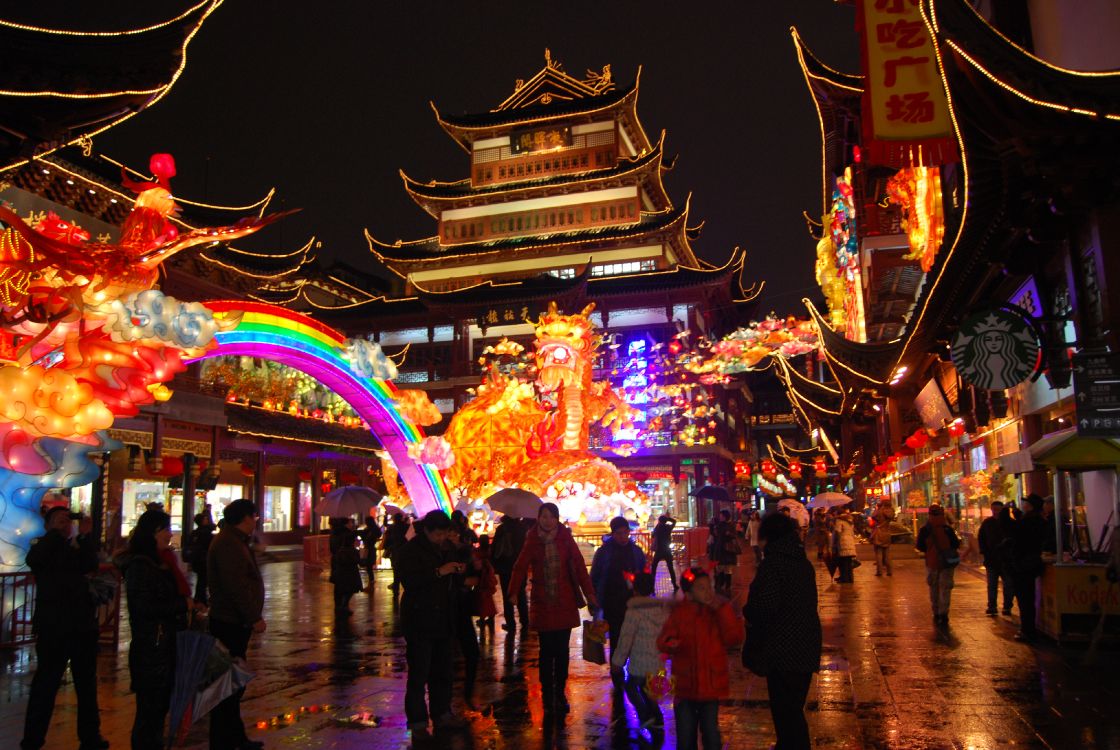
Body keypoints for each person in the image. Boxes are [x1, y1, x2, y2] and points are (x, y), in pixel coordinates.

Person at [20, 505, 109, 750]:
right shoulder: (43, 546)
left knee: (86, 685)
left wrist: (84, 535)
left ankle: (91, 736)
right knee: (46, 685)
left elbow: (89, 564)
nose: (65, 523)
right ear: (48, 525)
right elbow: (34, 560)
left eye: (67, 520)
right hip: (54, 628)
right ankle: (33, 740)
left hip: (81, 627)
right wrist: (54, 533)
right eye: (59, 520)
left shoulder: (74, 549)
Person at [508, 502, 598, 714]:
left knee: (562, 651)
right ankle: (548, 695)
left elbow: (578, 565)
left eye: (551, 516)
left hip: (564, 601)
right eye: (543, 516)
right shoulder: (532, 539)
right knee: (547, 651)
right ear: (538, 518)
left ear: (557, 519)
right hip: (543, 602)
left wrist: (590, 593)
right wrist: (512, 592)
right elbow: (520, 566)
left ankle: (560, 692)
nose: (547, 520)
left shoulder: (565, 538)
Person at [743, 512, 822, 750]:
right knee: (793, 707)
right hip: (807, 643)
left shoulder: (774, 564)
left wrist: (750, 612)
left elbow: (765, 605)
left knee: (786, 712)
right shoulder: (802, 562)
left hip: (783, 648)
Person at [118, 508, 192, 750]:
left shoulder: (163, 561)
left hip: (165, 643)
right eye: (165, 530)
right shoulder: (142, 566)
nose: (170, 535)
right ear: (152, 533)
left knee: (159, 709)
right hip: (152, 647)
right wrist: (181, 604)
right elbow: (144, 606)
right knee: (149, 712)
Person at [394, 510, 467, 734]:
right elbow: (410, 580)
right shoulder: (411, 550)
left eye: (444, 534)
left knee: (443, 670)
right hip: (420, 619)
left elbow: (464, 570)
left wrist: (459, 559)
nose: (441, 538)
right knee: (419, 672)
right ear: (426, 530)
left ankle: (442, 713)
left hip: (444, 618)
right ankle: (417, 719)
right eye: (437, 534)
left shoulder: (447, 548)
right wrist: (438, 572)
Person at [656, 567, 743, 750]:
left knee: (711, 733)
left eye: (709, 586)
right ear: (688, 593)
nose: (708, 592)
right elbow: (663, 639)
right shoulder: (680, 613)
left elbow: (733, 637)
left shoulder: (718, 611)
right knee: (685, 735)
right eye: (701, 588)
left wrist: (722, 610)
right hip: (685, 687)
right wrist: (670, 643)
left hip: (710, 687)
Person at [207, 499, 266, 750]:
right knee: (227, 685)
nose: (256, 522)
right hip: (229, 621)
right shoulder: (228, 544)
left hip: (233, 619)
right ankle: (224, 740)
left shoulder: (234, 541)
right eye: (255, 517)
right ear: (245, 518)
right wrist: (253, 616)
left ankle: (234, 737)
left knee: (233, 684)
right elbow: (236, 586)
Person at [610, 571, 671, 729]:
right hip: (658, 661)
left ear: (635, 590)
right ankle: (657, 718)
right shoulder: (661, 609)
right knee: (650, 691)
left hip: (640, 662)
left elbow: (626, 638)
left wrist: (617, 661)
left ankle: (645, 716)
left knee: (631, 688)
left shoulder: (634, 612)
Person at [590, 516, 646, 657]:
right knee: (616, 638)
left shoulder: (636, 551)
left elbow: (644, 574)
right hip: (612, 602)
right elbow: (595, 576)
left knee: (634, 638)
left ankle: (633, 671)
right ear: (613, 534)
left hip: (632, 602)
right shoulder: (604, 552)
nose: (623, 537)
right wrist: (593, 601)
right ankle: (617, 672)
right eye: (619, 533)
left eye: (625, 532)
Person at [444, 523, 481, 710]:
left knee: (470, 652)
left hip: (461, 606)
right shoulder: (439, 552)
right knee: (448, 654)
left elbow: (475, 576)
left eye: (452, 532)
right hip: (445, 608)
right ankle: (448, 698)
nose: (450, 536)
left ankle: (467, 690)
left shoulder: (466, 552)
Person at [1008, 494, 1047, 641]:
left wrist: (1007, 515)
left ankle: (1027, 630)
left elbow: (1018, 533)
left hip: (1024, 564)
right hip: (1030, 562)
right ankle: (1028, 628)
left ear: (1030, 506)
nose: (1023, 505)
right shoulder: (1037, 520)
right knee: (1027, 598)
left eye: (1025, 503)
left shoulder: (1030, 522)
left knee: (1025, 598)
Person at [915, 504, 961, 628]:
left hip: (932, 563)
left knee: (934, 588)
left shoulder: (925, 529)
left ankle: (936, 612)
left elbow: (919, 546)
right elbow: (956, 544)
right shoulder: (947, 529)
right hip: (947, 564)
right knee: (945, 589)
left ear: (929, 515)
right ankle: (943, 613)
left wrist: (930, 550)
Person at [491, 514, 529, 633]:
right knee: (521, 593)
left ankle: (510, 623)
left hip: (505, 567)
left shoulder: (502, 529)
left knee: (507, 595)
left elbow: (495, 548)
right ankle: (525, 621)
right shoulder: (523, 529)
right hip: (520, 566)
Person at [977, 501, 1012, 616]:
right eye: (994, 509)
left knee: (1008, 584)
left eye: (998, 509)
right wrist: (985, 551)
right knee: (992, 584)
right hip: (991, 559)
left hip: (1006, 559)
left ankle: (1007, 606)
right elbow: (981, 538)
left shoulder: (1009, 523)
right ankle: (992, 606)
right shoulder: (987, 523)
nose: (996, 512)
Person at [186, 507, 216, 604]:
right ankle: (201, 600)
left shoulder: (195, 533)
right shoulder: (206, 533)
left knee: (201, 580)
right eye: (206, 519)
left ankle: (200, 599)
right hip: (204, 560)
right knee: (204, 581)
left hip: (197, 560)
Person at [331, 530, 363, 615]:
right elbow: (358, 561)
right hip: (351, 573)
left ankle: (340, 606)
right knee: (350, 590)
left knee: (342, 590)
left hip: (341, 573)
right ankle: (344, 605)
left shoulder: (340, 551)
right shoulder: (353, 551)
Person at [472, 534, 499, 630]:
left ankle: (482, 618)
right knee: (489, 598)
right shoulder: (490, 551)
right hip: (488, 578)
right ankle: (491, 617)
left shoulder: (477, 552)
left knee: (481, 598)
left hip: (481, 578)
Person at [711, 510, 739, 597]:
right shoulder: (719, 525)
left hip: (727, 550)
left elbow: (733, 535)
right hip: (721, 550)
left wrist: (728, 533)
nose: (720, 517)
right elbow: (715, 534)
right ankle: (722, 584)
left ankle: (726, 585)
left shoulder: (730, 525)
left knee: (727, 568)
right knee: (721, 568)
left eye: (721, 515)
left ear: (725, 516)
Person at [382, 512, 410, 594]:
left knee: (396, 569)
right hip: (405, 550)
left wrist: (386, 516)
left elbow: (385, 524)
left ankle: (396, 587)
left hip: (394, 550)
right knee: (404, 569)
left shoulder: (392, 527)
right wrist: (406, 520)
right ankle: (406, 587)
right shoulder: (406, 526)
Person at [650, 514, 678, 592]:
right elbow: (674, 521)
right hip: (667, 550)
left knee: (654, 568)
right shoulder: (668, 527)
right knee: (670, 568)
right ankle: (674, 584)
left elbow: (652, 536)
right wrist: (668, 519)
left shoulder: (657, 528)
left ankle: (652, 586)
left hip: (659, 550)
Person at [870, 500, 895, 576]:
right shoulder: (891, 511)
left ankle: (879, 571)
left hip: (879, 533)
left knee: (878, 553)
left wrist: (879, 509)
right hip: (887, 533)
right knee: (887, 553)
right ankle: (889, 571)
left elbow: (873, 516)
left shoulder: (880, 511)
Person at [833, 510, 857, 583]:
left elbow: (838, 532)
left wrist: (835, 542)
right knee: (848, 562)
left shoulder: (839, 520)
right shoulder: (850, 521)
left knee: (843, 562)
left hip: (843, 542)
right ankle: (850, 578)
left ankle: (844, 578)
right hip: (850, 541)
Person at [358, 515, 382, 583]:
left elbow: (365, 538)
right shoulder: (374, 529)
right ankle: (371, 579)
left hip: (367, 548)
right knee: (369, 565)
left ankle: (371, 579)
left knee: (368, 564)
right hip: (371, 548)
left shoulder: (367, 530)